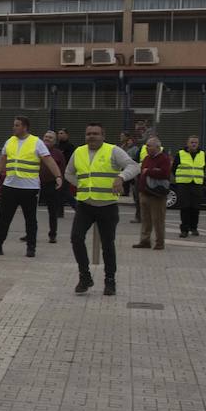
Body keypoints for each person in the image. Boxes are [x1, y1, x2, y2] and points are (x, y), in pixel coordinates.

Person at [66, 122, 139, 296]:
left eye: (95, 133)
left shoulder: (113, 150)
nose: (91, 136)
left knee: (108, 244)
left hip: (107, 205)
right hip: (85, 204)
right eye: (88, 133)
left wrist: (121, 177)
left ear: (103, 136)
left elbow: (134, 166)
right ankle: (85, 277)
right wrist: (82, 185)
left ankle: (110, 281)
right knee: (76, 238)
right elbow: (68, 173)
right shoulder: (79, 152)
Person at [0, 115, 62, 257]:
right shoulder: (10, 142)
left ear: (24, 127)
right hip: (10, 186)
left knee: (30, 219)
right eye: (14, 125)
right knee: (4, 218)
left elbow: (48, 160)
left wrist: (58, 176)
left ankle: (31, 248)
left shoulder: (36, 142)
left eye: (17, 125)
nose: (14, 127)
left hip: (29, 188)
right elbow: (1, 163)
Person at [134, 135, 172, 250]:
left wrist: (149, 171)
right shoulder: (146, 158)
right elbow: (142, 171)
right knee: (145, 219)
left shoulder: (164, 158)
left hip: (157, 195)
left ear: (157, 147)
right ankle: (145, 241)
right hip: (144, 193)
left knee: (158, 220)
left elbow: (165, 173)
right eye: (146, 146)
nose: (146, 148)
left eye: (149, 146)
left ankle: (159, 243)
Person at [38, 129, 68, 244]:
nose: (47, 139)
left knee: (52, 211)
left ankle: (53, 234)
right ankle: (30, 233)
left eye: (50, 137)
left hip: (51, 184)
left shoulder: (58, 154)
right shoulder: (37, 151)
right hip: (36, 184)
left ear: (54, 141)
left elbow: (62, 169)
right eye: (45, 137)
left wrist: (60, 182)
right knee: (31, 211)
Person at [174, 135, 206, 238]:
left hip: (197, 184)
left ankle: (194, 228)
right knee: (185, 207)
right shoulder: (180, 154)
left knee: (195, 208)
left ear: (198, 144)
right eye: (192, 142)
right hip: (184, 184)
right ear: (187, 143)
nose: (193, 144)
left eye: (195, 142)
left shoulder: (202, 154)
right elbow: (174, 168)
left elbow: (203, 168)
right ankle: (184, 230)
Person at [124, 131, 145, 224]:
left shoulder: (160, 149)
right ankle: (139, 217)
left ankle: (146, 217)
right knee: (138, 198)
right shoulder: (141, 149)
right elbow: (134, 163)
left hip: (151, 179)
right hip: (140, 177)